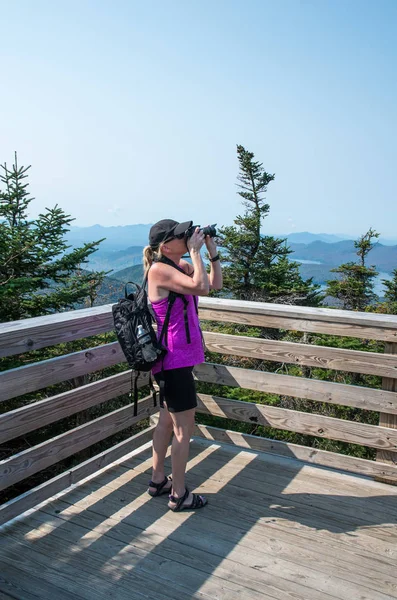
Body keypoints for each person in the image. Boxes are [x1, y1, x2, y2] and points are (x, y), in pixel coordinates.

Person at [142, 219, 223, 511]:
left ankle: (158, 480)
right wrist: (196, 251)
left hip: (175, 361)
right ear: (165, 247)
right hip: (174, 361)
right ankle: (179, 495)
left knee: (167, 421)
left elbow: (213, 283)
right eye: (180, 236)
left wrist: (210, 251)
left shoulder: (178, 267)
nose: (186, 237)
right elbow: (201, 288)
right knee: (183, 431)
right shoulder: (160, 269)